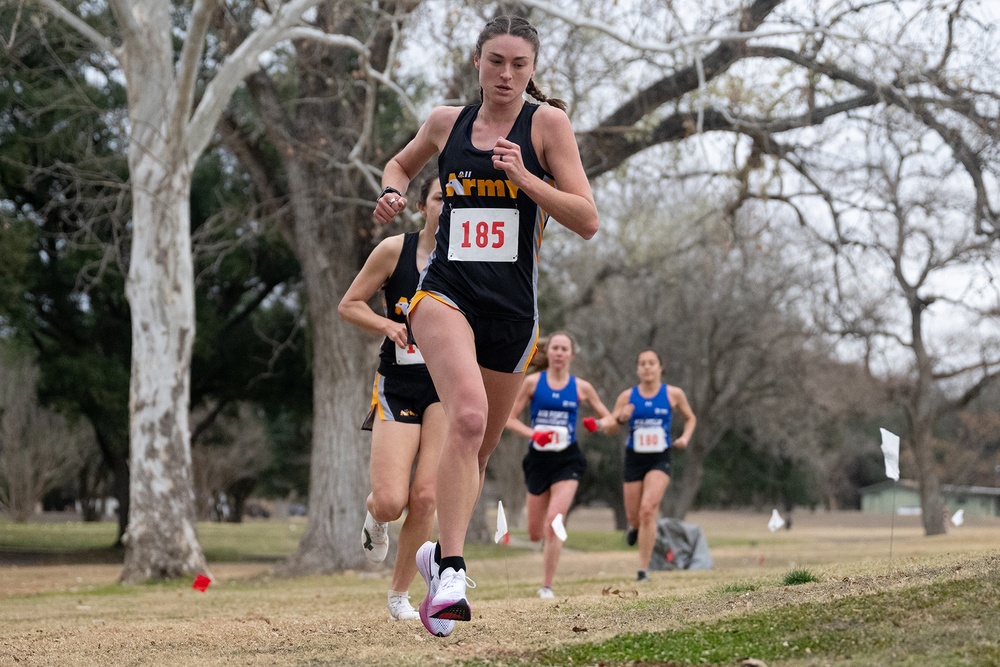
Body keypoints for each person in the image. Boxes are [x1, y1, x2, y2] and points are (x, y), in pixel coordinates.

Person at [372, 15, 599, 636]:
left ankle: (432, 557)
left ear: (532, 69)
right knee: (466, 417)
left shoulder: (547, 126)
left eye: (518, 65)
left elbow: (587, 218)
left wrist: (525, 178)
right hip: (446, 294)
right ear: (477, 61)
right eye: (495, 61)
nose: (505, 75)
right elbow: (398, 164)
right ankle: (452, 572)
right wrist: (393, 191)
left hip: (512, 312)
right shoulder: (447, 123)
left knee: (478, 446)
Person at [338, 176, 453, 635]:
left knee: (426, 495)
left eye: (454, 200)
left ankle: (400, 595)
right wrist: (386, 326)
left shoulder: (466, 259)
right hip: (398, 384)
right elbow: (349, 304)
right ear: (423, 206)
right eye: (440, 198)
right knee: (391, 502)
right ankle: (375, 515)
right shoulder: (393, 251)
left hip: (446, 386)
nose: (447, 206)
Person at [505, 331, 616, 598]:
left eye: (564, 349)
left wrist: (597, 424)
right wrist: (534, 434)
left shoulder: (581, 387)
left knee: (555, 520)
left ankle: (547, 585)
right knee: (534, 533)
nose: (559, 353)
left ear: (571, 354)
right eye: (555, 348)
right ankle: (542, 543)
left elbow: (612, 422)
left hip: (568, 459)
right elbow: (509, 419)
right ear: (549, 352)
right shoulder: (532, 383)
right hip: (538, 461)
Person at [607, 349, 696, 582]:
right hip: (634, 457)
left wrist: (685, 437)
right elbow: (610, 426)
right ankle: (634, 527)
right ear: (637, 369)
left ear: (660, 368)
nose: (647, 367)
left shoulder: (673, 394)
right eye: (642, 363)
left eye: (651, 363)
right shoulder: (627, 396)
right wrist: (620, 418)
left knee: (648, 510)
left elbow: (691, 418)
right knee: (635, 516)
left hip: (660, 456)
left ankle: (643, 569)